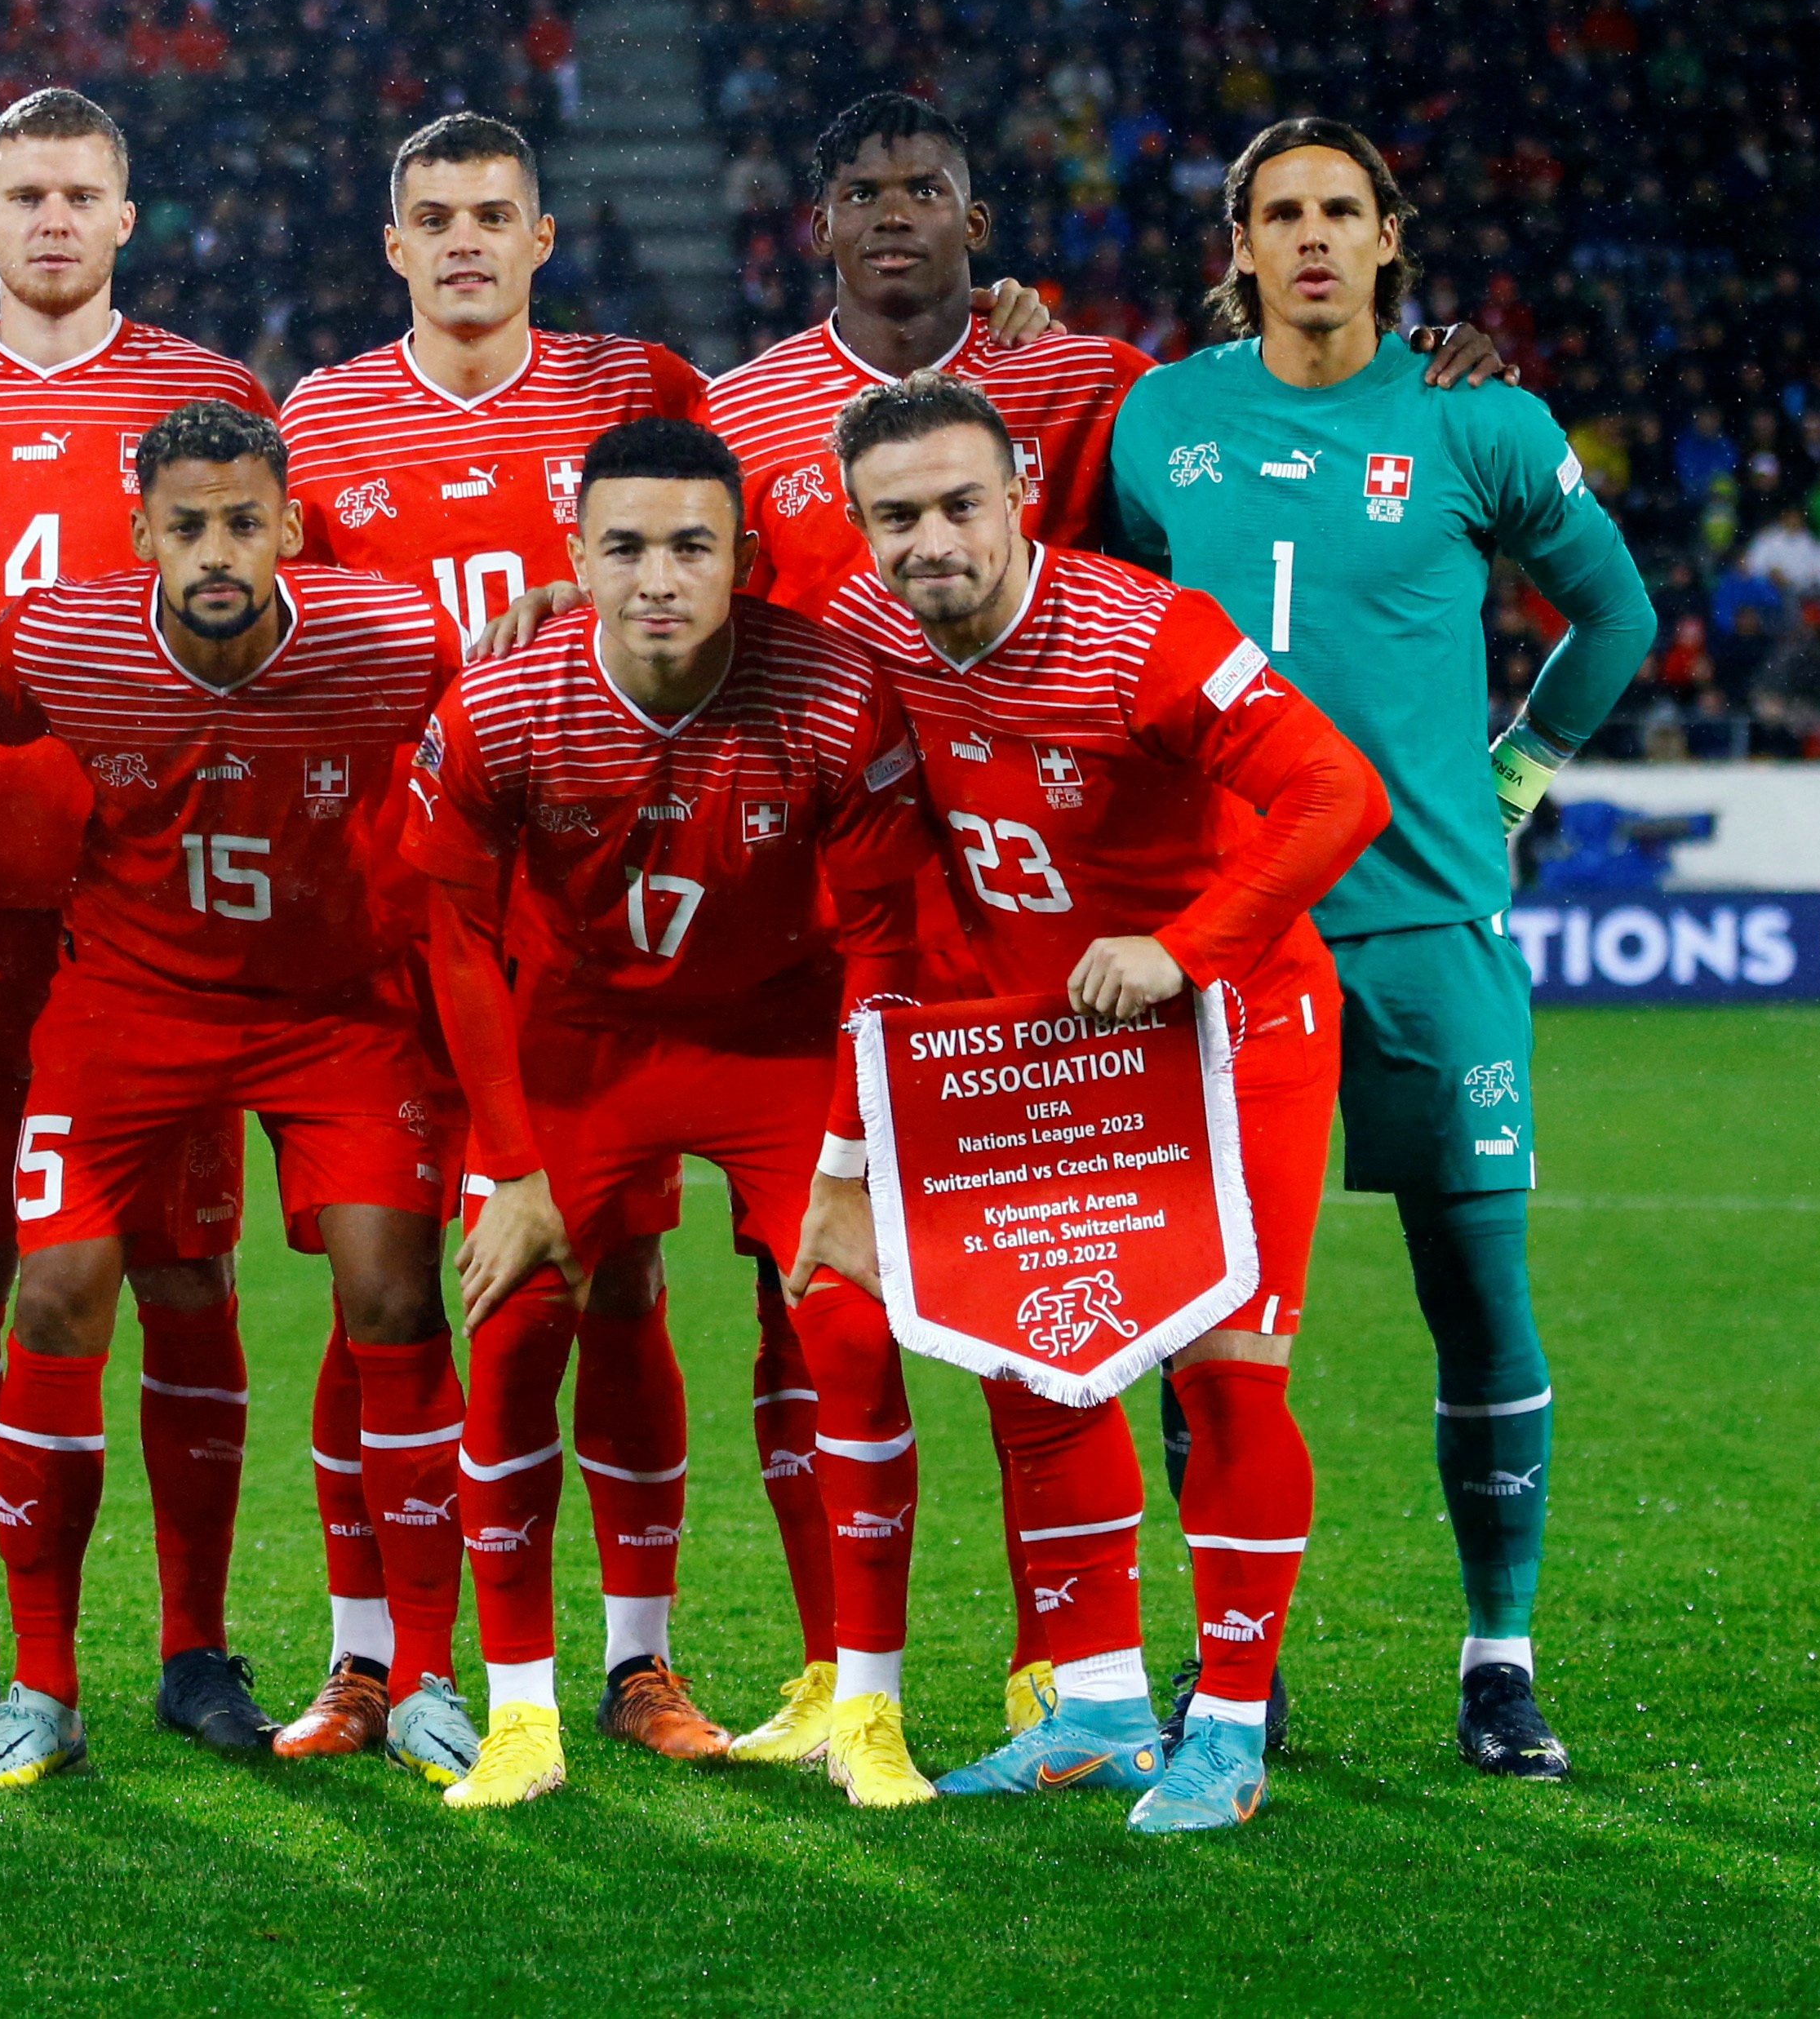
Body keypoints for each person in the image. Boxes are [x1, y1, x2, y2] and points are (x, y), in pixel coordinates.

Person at [1109, 118, 1658, 1780]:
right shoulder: (1161, 416)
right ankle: (1232, 1671)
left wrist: (1514, 775)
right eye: (1282, 213)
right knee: (1203, 1318)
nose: (1314, 238)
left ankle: (1500, 1658)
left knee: (1475, 1292)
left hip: (1425, 925)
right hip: (1222, 933)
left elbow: (1614, 613)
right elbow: (1118, 631)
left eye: (1341, 210)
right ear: (1242, 243)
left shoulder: (1474, 417)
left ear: (1389, 236)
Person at [819, 367, 1387, 1831]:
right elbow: (876, 877)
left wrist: (1185, 946)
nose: (930, 538)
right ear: (860, 525)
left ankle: (1234, 1726)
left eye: (958, 503)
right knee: (1038, 1364)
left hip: (1235, 1023)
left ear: (1018, 495)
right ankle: (1099, 1709)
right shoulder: (869, 634)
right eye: (897, 515)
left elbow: (1337, 795)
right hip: (1050, 1045)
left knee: (1224, 1369)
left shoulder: (1146, 634)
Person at [270, 111, 730, 1765]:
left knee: (613, 1276)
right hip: (389, 919)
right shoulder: (314, 421)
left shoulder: (642, 391)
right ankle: (371, 1659)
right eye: (433, 216)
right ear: (391, 245)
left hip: (592, 922)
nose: (464, 239)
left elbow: (778, 499)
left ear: (543, 236)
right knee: (380, 1291)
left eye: (494, 214)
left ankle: (638, 1659)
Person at [404, 416, 937, 1808]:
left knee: (847, 1317)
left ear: (745, 560)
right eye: (626, 545)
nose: (658, 576)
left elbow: (886, 934)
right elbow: (456, 937)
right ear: (574, 556)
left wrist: (846, 1165)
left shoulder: (831, 692)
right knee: (514, 1322)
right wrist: (511, 1167)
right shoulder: (500, 704)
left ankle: (869, 1706)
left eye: (692, 546)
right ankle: (524, 1712)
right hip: (583, 1039)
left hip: (775, 1031)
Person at [0, 401, 467, 1790]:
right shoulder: (61, 637)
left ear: (293, 527)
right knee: (55, 1294)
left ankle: (421, 1674)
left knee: (394, 1296)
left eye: (245, 522)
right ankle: (43, 1689)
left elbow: (496, 743)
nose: (218, 550)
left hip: (331, 1011)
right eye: (188, 526)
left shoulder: (393, 637)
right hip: (127, 1007)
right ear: (143, 536)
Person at [0, 87, 269, 1755]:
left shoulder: (210, 396)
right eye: (24, 192)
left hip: (160, 905)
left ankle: (195, 1642)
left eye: (82, 191)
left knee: (179, 1267)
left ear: (127, 213)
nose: (53, 219)